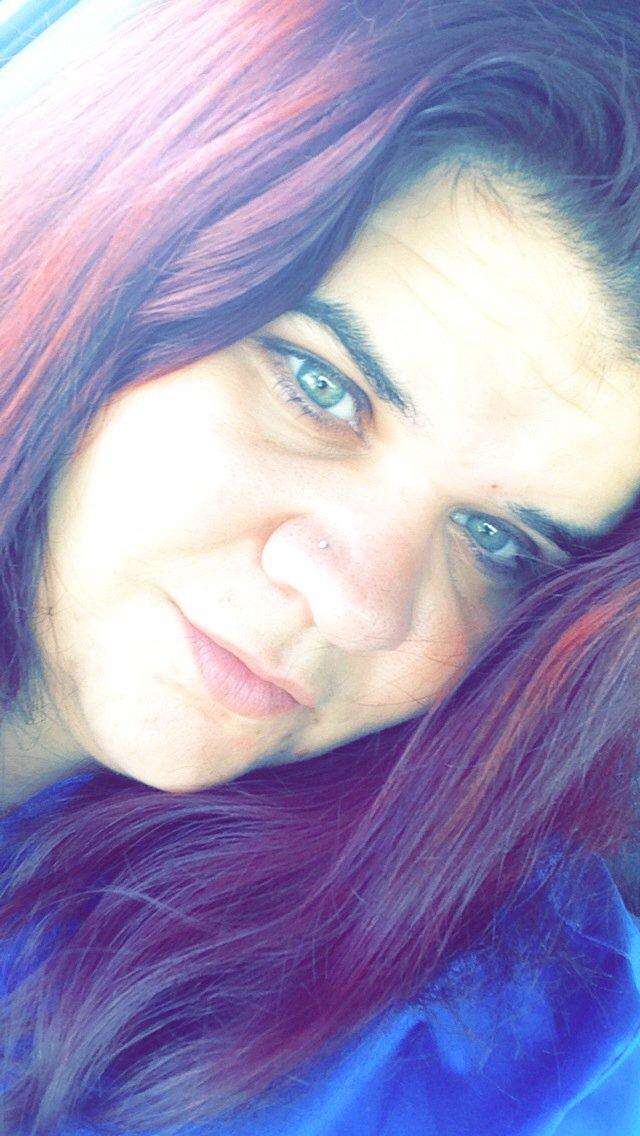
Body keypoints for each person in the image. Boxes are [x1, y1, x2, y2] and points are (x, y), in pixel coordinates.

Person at [0, 0, 639, 1132]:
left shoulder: (500, 1037)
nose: (356, 604)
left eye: (496, 540)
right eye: (320, 385)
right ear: (115, 253)